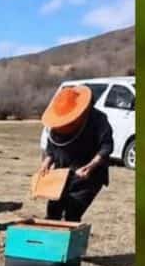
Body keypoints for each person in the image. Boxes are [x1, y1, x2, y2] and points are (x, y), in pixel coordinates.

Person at [37, 85, 114, 222]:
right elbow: (52, 146)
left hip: (88, 176)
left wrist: (91, 166)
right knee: (52, 213)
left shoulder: (98, 120)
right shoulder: (58, 120)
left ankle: (70, 241)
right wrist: (47, 161)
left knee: (73, 214)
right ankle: (51, 242)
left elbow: (106, 146)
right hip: (62, 174)